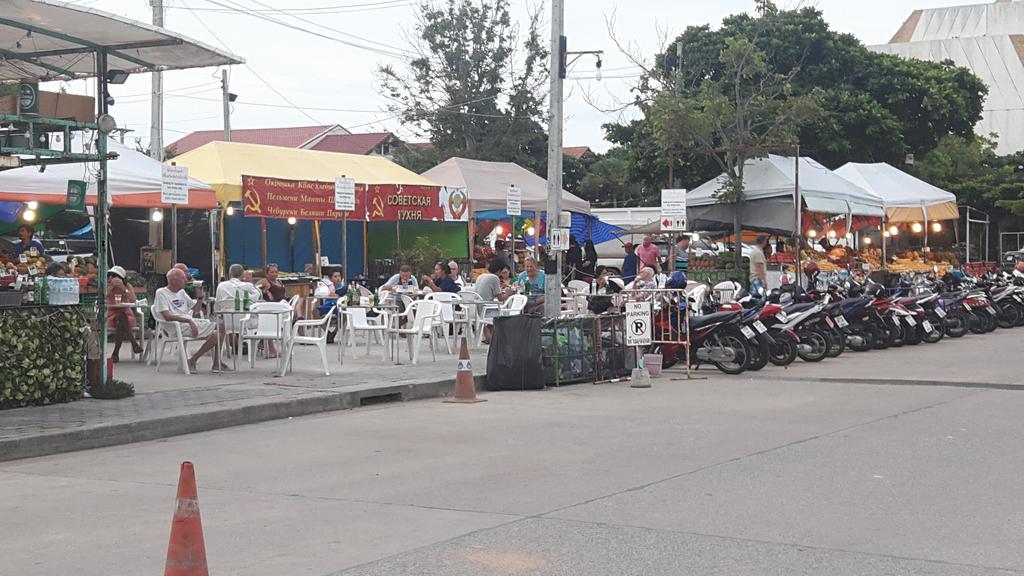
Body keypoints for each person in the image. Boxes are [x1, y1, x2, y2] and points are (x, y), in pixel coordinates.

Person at [153, 268, 228, 372]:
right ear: (174, 280)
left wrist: (200, 298)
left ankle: (213, 363)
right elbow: (167, 316)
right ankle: (196, 361)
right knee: (218, 332)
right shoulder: (161, 293)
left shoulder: (182, 292)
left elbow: (196, 309)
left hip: (187, 323)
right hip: (176, 326)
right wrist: (189, 321)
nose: (186, 280)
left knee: (221, 327)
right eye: (183, 278)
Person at [215, 264, 263, 353]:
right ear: (242, 275)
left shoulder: (221, 286)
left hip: (227, 322)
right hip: (245, 322)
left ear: (230, 274)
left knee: (226, 319)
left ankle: (236, 346)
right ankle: (260, 346)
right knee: (264, 318)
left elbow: (217, 306)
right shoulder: (248, 286)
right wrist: (247, 293)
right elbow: (257, 298)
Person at [106, 265, 141, 363]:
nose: (112, 278)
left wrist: (122, 288)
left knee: (122, 318)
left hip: (126, 313)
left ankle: (115, 353)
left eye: (115, 276)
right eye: (111, 276)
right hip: (112, 314)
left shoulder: (127, 286)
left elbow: (133, 300)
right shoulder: (108, 286)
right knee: (121, 319)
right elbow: (104, 296)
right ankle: (134, 344)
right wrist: (112, 286)